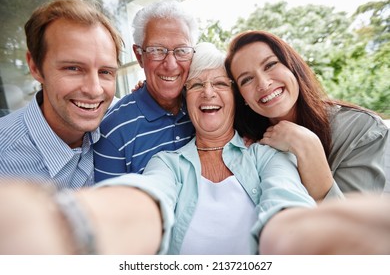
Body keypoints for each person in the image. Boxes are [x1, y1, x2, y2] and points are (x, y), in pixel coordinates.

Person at [1, 43, 390, 256]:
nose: (207, 93)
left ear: (236, 99)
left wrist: (314, 241)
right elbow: (147, 200)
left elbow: (285, 208)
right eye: (195, 86)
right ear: (185, 101)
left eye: (221, 84)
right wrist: (75, 227)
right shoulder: (167, 163)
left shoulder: (268, 154)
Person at [225, 30, 389, 202]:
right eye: (247, 80)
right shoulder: (245, 143)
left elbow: (353, 226)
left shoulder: (361, 130)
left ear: (292, 66)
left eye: (270, 65)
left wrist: (306, 145)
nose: (263, 84)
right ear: (242, 97)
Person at [0, 0, 123, 190]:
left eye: (105, 72)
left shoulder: (121, 119)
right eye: (73, 68)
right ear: (35, 67)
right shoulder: (4, 157)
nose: (94, 90)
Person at [93, 0, 198, 181]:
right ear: (139, 56)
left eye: (181, 50)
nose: (171, 65)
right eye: (157, 50)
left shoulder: (203, 107)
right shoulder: (113, 131)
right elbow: (113, 207)